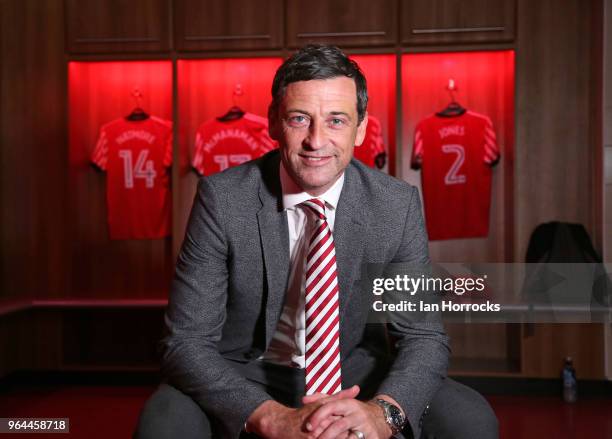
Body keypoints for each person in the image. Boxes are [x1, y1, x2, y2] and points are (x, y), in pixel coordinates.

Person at [135, 45, 498, 439]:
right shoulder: (223, 199)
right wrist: (268, 416)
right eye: (299, 119)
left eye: (336, 120)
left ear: (361, 129)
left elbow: (423, 336)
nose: (316, 140)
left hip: (357, 372)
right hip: (246, 372)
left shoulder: (396, 205)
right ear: (274, 122)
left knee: (469, 418)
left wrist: (383, 412)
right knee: (164, 423)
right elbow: (186, 342)